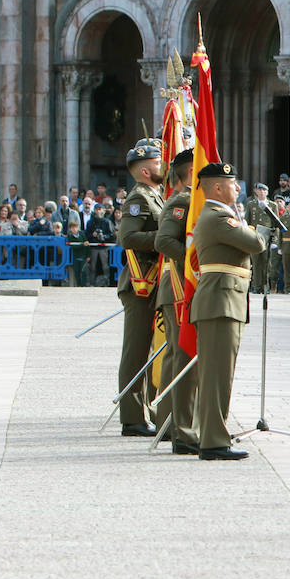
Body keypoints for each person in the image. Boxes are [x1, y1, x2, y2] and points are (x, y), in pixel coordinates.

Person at [189, 161, 264, 460]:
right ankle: (213, 441)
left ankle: (213, 436)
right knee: (217, 376)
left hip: (223, 301)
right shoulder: (219, 216)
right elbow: (256, 242)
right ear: (217, 187)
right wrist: (253, 227)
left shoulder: (216, 215)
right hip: (220, 302)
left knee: (218, 375)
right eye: (233, 183)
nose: (237, 188)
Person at [115, 139, 165, 438]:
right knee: (136, 352)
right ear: (146, 171)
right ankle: (132, 418)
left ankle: (145, 410)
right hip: (139, 283)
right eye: (159, 163)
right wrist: (166, 237)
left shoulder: (155, 196)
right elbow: (129, 237)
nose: (164, 166)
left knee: (148, 351)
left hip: (153, 280)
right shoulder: (139, 198)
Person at [154, 149, 199, 455]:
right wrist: (194, 262)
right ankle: (176, 426)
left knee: (175, 354)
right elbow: (164, 241)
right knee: (180, 355)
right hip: (178, 288)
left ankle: (169, 423)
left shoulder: (185, 200)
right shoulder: (182, 200)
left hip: (178, 287)